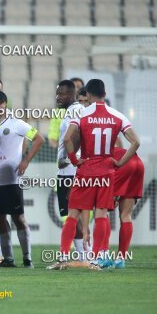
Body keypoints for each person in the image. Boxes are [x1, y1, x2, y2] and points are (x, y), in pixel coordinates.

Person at [56, 79, 140, 270]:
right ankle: (96, 258)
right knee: (101, 213)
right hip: (107, 171)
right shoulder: (117, 115)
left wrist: (74, 160)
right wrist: (120, 162)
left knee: (73, 214)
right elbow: (135, 142)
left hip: (85, 170)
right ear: (104, 93)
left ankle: (62, 256)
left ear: (90, 94)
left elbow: (68, 138)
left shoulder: (82, 113)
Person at [0, 90, 44, 268]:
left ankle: (27, 258)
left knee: (18, 218)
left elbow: (39, 138)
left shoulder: (17, 123)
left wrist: (26, 160)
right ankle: (8, 258)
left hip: (12, 180)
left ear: (3, 104)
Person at [54, 80, 87, 263]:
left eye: (62, 94)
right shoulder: (74, 110)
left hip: (70, 170)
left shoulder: (74, 110)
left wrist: (68, 157)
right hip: (70, 168)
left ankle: (83, 255)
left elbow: (76, 135)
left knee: (70, 214)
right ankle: (85, 255)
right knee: (73, 214)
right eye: (57, 93)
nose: (58, 97)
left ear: (72, 94)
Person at [98, 147, 144, 269]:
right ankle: (121, 259)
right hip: (138, 163)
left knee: (101, 209)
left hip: (123, 165)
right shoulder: (107, 143)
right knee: (126, 215)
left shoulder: (89, 153)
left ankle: (103, 255)